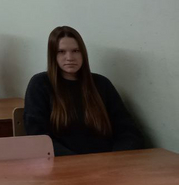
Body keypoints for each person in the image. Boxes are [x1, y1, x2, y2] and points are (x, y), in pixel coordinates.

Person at [24, 26, 143, 156]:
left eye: (75, 51)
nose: (70, 57)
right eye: (61, 51)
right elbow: (38, 137)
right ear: (53, 55)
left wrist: (116, 158)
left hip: (108, 161)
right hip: (63, 163)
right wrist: (78, 162)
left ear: (83, 53)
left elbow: (128, 131)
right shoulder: (40, 84)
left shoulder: (102, 84)